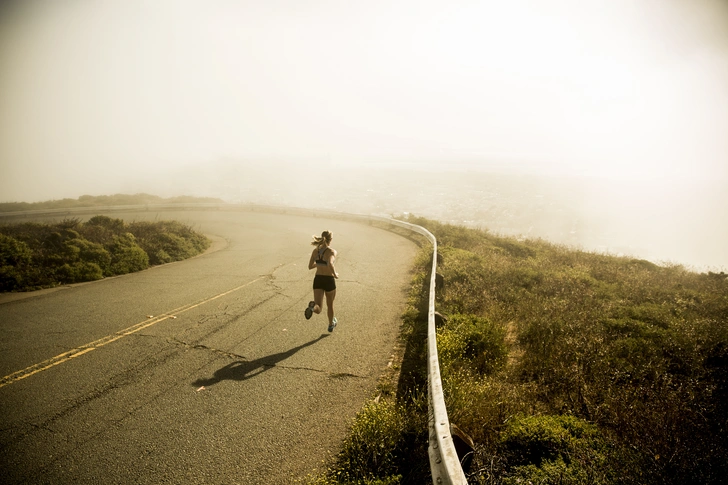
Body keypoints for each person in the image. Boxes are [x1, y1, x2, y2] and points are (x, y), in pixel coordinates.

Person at [305, 230, 339, 331]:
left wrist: (319, 263)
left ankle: (312, 308)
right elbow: (330, 263)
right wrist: (335, 274)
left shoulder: (315, 251)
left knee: (318, 307)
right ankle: (330, 324)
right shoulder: (332, 251)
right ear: (331, 239)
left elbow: (310, 266)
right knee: (330, 305)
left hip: (318, 279)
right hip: (329, 280)